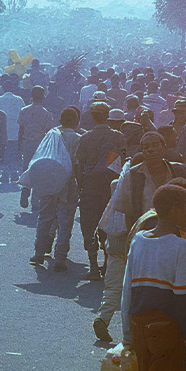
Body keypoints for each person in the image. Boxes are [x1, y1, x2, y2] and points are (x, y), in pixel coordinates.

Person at [93, 132, 186, 342]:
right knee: (136, 287)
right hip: (142, 238)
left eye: (155, 145)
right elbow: (127, 211)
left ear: (164, 146)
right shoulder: (134, 175)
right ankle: (131, 334)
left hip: (171, 238)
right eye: (145, 146)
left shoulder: (177, 170)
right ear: (141, 150)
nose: (150, 149)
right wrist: (137, 239)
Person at [120, 184, 186, 371]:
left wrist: (128, 333)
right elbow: (185, 301)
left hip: (139, 327)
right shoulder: (180, 247)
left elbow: (127, 290)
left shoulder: (139, 240)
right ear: (174, 210)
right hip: (167, 333)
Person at [75, 101, 126, 280]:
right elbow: (123, 162)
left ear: (93, 116)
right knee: (108, 225)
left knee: (89, 225)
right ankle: (107, 264)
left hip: (90, 186)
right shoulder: (118, 136)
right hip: (110, 187)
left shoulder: (85, 137)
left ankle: (93, 266)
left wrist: (81, 188)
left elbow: (79, 166)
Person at [30, 108, 82, 271]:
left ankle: (39, 253)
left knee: (45, 218)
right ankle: (60, 257)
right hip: (68, 184)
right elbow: (78, 164)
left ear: (60, 119)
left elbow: (41, 156)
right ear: (76, 122)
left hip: (48, 182)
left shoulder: (50, 134)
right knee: (65, 222)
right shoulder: (77, 138)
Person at [17, 86, 56, 208]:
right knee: (39, 170)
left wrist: (19, 145)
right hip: (40, 144)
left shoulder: (24, 110)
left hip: (27, 142)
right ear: (43, 97)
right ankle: (35, 199)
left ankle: (25, 188)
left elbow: (21, 129)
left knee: (26, 167)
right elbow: (49, 131)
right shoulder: (46, 113)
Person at [0, 88, 26, 183]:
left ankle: (5, 174)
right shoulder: (19, 99)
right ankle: (14, 173)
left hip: (4, 129)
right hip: (16, 129)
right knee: (15, 153)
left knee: (5, 154)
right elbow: (22, 112)